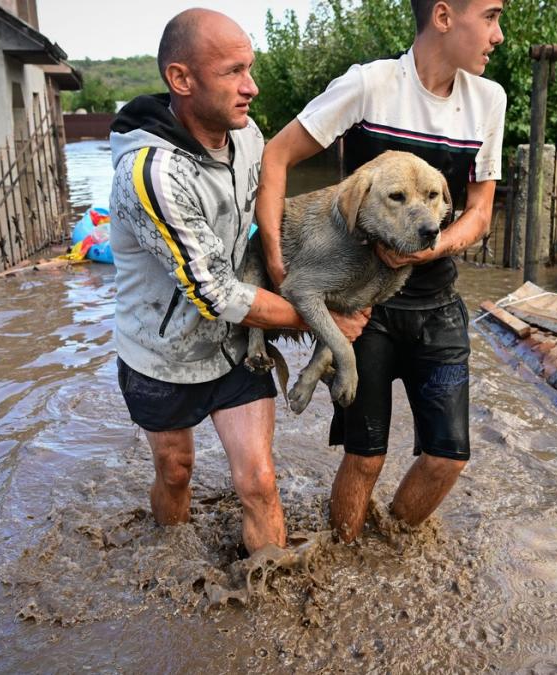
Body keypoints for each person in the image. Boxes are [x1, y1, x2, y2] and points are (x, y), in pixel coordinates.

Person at [108, 9, 369, 554]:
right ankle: (171, 562)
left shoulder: (247, 134)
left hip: (235, 347)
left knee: (259, 482)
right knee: (177, 471)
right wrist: (323, 320)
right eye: (233, 72)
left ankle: (270, 608)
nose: (251, 87)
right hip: (163, 355)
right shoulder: (152, 174)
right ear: (181, 79)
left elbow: (274, 214)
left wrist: (335, 266)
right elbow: (214, 294)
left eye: (250, 68)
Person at [256, 0, 507, 543]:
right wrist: (277, 267)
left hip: (438, 304)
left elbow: (481, 212)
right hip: (364, 304)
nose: (499, 34)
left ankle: (391, 547)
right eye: (489, 17)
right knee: (365, 457)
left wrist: (430, 251)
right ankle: (345, 556)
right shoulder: (369, 85)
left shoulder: (489, 99)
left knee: (447, 457)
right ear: (444, 16)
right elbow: (276, 155)